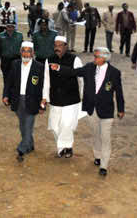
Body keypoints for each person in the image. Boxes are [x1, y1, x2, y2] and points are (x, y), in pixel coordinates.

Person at [49, 47, 125, 176]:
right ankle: (97, 156)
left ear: (104, 58)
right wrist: (59, 68)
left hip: (106, 110)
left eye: (96, 56)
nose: (94, 58)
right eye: (94, 56)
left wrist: (121, 109)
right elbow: (74, 72)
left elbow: (119, 92)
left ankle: (104, 166)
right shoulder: (89, 68)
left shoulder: (114, 73)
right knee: (96, 134)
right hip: (91, 109)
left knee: (105, 138)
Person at [2, 42, 45, 162]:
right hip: (17, 100)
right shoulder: (15, 64)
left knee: (28, 126)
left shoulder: (39, 67)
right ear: (20, 52)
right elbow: (9, 82)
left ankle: (21, 149)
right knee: (22, 126)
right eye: (24, 51)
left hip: (32, 101)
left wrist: (43, 104)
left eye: (28, 51)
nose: (26, 53)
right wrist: (5, 95)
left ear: (33, 53)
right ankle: (30, 145)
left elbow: (43, 87)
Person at [43, 36, 84, 158]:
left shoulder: (74, 59)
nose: (57, 48)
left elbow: (81, 78)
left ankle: (66, 147)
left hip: (71, 99)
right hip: (55, 98)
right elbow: (46, 80)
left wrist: (83, 95)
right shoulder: (49, 59)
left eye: (60, 45)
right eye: (55, 45)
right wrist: (45, 97)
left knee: (67, 124)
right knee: (54, 125)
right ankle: (63, 146)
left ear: (66, 46)